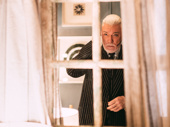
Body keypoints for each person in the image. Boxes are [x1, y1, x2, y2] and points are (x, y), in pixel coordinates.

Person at [66, 14, 126, 126]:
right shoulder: (92, 52)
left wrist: (127, 100)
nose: (110, 40)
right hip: (89, 119)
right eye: (105, 34)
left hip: (120, 121)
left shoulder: (131, 56)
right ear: (100, 34)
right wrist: (94, 42)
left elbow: (145, 88)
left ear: (123, 35)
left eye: (115, 35)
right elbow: (71, 71)